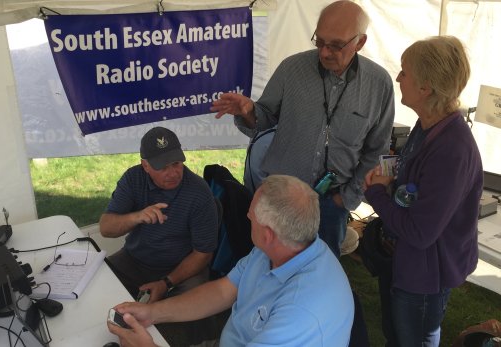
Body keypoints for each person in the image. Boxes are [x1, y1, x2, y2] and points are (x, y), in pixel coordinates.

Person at [210, 0, 395, 258]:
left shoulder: (379, 84)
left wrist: (346, 199)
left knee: (318, 273)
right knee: (266, 265)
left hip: (331, 203)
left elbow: (378, 149)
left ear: (360, 43)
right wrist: (249, 110)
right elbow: (265, 121)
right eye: (319, 41)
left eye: (336, 45)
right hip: (281, 198)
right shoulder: (292, 68)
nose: (325, 52)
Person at [107, 175, 355, 347]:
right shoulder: (282, 246)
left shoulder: (302, 310)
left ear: (268, 234)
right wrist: (152, 313)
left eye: (250, 219)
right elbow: (224, 291)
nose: (247, 217)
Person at [363, 36, 482, 347]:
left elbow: (420, 232)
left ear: (426, 87)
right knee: (399, 334)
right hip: (410, 261)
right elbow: (413, 173)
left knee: (414, 338)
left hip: (425, 274)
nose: (399, 78)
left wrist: (375, 194)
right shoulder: (428, 124)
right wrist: (389, 175)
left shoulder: (451, 149)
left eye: (405, 72)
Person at [99, 126, 218, 303]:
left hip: (181, 268)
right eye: (162, 167)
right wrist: (137, 216)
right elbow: (105, 228)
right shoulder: (133, 179)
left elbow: (203, 254)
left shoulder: (198, 192)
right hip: (134, 259)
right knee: (99, 283)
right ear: (145, 165)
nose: (173, 173)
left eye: (177, 163)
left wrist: (165, 283)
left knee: (196, 303)